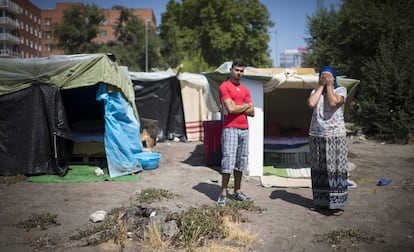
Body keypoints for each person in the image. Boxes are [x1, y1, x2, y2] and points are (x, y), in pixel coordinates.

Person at [307, 66, 348, 216]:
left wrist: (330, 86)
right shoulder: (315, 92)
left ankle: (336, 204)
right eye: (322, 76)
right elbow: (311, 104)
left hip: (335, 135)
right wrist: (321, 86)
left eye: (328, 76)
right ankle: (320, 202)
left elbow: (333, 103)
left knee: (334, 169)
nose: (324, 78)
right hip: (316, 135)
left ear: (334, 77)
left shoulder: (341, 90)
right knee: (319, 169)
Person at [216, 60, 255, 207]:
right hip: (230, 128)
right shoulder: (224, 87)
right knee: (228, 160)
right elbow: (230, 109)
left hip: (244, 128)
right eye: (237, 70)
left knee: (241, 160)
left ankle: (237, 191)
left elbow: (252, 112)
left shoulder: (245, 90)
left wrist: (239, 106)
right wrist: (245, 106)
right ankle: (223, 192)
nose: (239, 73)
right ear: (231, 70)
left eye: (241, 71)